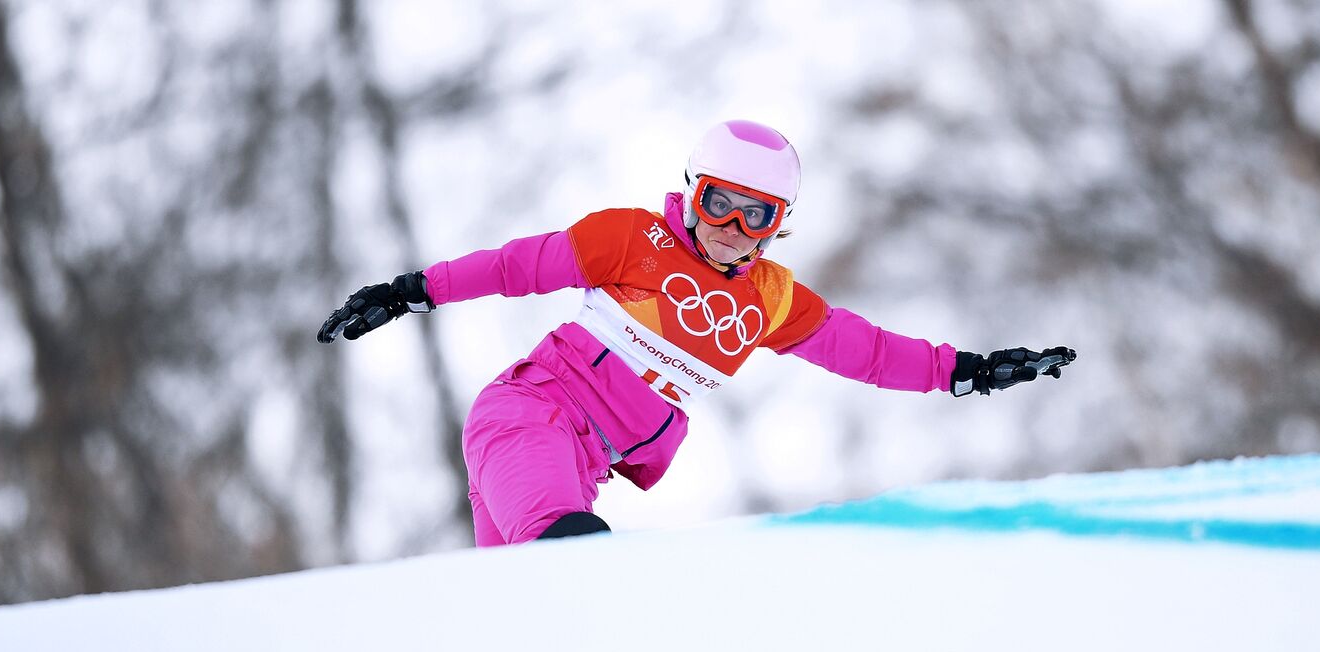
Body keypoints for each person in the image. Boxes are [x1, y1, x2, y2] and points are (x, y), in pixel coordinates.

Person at [317, 120, 1076, 546]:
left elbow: (868, 351)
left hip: (589, 459)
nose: (730, 230)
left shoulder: (772, 300)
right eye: (718, 203)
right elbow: (517, 266)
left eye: (757, 216)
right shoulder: (633, 240)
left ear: (779, 226)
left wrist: (967, 370)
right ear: (692, 190)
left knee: (520, 619)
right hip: (533, 414)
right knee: (570, 556)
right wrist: (411, 291)